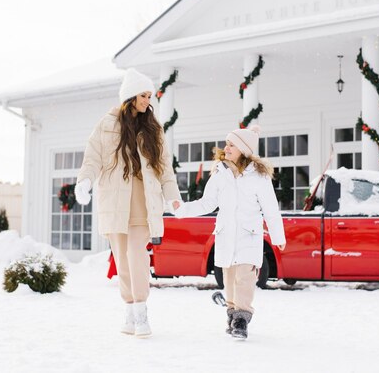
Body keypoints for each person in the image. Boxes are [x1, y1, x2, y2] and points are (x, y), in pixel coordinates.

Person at [75, 68, 181, 338]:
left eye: (149, 95)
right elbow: (92, 158)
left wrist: (172, 196)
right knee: (121, 259)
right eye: (144, 95)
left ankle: (142, 310)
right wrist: (84, 181)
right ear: (130, 96)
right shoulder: (107, 124)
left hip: (143, 200)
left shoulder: (153, 128)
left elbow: (164, 167)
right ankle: (130, 309)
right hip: (114, 200)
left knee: (137, 255)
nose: (148, 100)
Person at [175, 125, 286, 340]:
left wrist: (278, 236)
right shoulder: (220, 174)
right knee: (230, 278)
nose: (226, 148)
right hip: (226, 235)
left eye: (231, 145)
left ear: (244, 149)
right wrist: (183, 210)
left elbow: (271, 209)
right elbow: (207, 203)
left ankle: (242, 318)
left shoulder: (258, 177)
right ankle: (233, 313)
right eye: (226, 143)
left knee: (245, 277)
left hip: (248, 235)